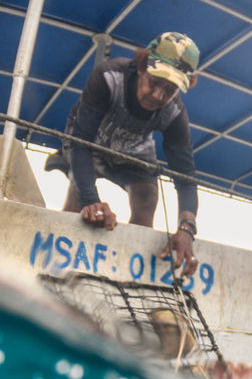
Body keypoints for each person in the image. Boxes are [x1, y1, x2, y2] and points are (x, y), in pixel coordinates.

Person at [48, 31, 202, 278]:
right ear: (142, 67)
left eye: (170, 90)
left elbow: (185, 176)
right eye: (155, 82)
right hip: (91, 142)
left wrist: (187, 230)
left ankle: (130, 277)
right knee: (79, 193)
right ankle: (56, 265)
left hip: (134, 151)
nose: (158, 96)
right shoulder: (108, 77)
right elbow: (81, 143)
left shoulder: (174, 114)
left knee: (148, 197)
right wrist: (91, 201)